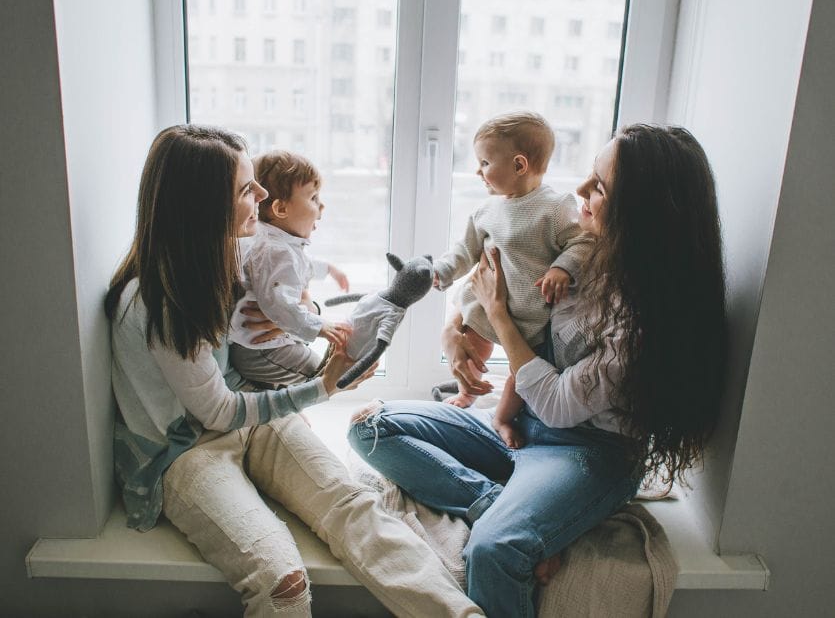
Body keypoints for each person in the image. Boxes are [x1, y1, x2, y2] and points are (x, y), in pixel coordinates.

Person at [105, 124, 484, 618]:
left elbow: (286, 293)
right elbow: (217, 412)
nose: (262, 195)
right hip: (185, 451)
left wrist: (303, 307)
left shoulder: (228, 254)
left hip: (249, 418)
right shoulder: (156, 302)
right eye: (246, 189)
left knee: (355, 508)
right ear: (204, 207)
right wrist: (320, 388)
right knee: (281, 580)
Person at [349, 124, 727, 617]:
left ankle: (512, 516)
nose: (582, 191)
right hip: (523, 426)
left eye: (601, 186)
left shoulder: (648, 315)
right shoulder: (584, 254)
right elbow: (498, 286)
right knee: (369, 427)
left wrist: (499, 318)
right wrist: (456, 326)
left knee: (493, 549)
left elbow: (560, 402)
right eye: (589, 177)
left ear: (643, 210)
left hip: (588, 451)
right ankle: (490, 500)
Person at [432, 111, 592, 446]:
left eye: (485, 163)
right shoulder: (486, 211)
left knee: (521, 377)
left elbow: (581, 242)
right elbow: (465, 251)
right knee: (471, 349)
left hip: (531, 318)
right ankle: (467, 392)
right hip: (482, 307)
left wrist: (562, 267)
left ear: (519, 165)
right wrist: (443, 272)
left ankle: (502, 419)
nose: (479, 171)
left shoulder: (556, 207)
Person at [228, 149, 350, 389]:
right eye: (313, 198)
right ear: (281, 209)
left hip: (265, 344)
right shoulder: (276, 251)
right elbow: (279, 306)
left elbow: (300, 265)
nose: (321, 206)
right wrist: (320, 327)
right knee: (323, 374)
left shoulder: (273, 241)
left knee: (316, 368)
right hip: (262, 350)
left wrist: (328, 269)